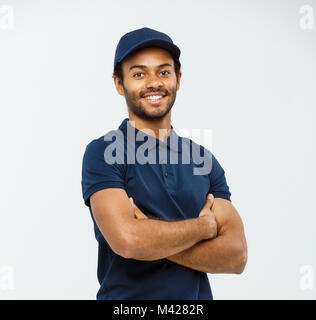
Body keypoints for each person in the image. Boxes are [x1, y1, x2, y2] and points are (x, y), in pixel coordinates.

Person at [81, 27, 247, 300]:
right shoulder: (103, 153)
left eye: (163, 72)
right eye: (138, 74)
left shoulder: (203, 160)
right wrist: (202, 228)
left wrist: (153, 237)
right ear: (119, 84)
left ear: (178, 79)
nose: (153, 82)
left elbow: (236, 255)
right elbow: (128, 240)